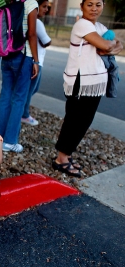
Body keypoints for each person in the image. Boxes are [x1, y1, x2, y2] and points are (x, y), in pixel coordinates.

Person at [52, 0, 122, 177]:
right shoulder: (82, 24)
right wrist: (107, 46)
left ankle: (66, 155)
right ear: (82, 6)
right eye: (89, 4)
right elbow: (107, 45)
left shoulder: (99, 26)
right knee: (74, 120)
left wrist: (109, 47)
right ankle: (61, 159)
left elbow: (119, 44)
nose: (94, 8)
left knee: (84, 121)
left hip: (95, 84)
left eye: (98, 4)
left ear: (103, 6)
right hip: (80, 81)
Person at [0, 0, 39, 153]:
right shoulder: (31, 3)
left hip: (6, 54)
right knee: (19, 98)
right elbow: (32, 34)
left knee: (5, 96)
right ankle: (10, 141)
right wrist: (36, 60)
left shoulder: (10, 1)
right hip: (23, 55)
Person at [21, 0, 52, 126]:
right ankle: (24, 114)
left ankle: (23, 110)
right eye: (43, 6)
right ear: (36, 6)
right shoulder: (37, 22)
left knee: (33, 88)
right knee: (29, 90)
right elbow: (46, 41)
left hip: (35, 59)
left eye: (47, 7)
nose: (46, 9)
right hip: (36, 60)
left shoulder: (31, 20)